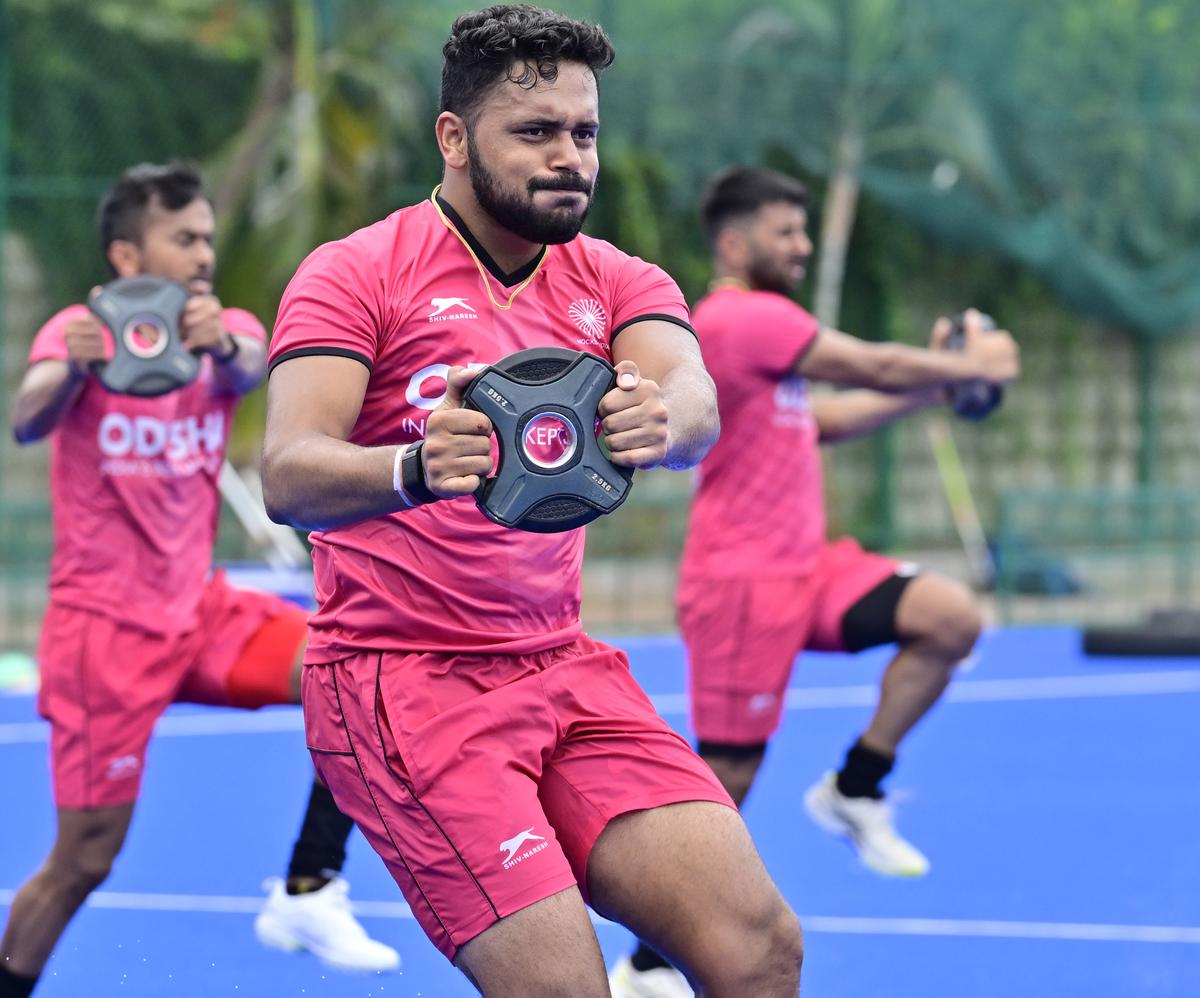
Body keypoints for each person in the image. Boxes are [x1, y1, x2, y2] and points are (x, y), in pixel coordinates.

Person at [261, 7, 804, 997]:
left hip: (561, 668)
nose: (571, 158)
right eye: (537, 132)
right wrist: (410, 467)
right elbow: (290, 471)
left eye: (584, 132)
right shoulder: (356, 272)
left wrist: (662, 419)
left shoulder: (617, 277)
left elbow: (694, 396)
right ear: (455, 139)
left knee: (759, 947)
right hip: (402, 683)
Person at [609, 165, 1020, 997]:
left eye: (803, 230)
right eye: (784, 231)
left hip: (811, 567)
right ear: (733, 241)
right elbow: (865, 364)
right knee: (725, 781)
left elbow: (820, 417)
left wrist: (934, 390)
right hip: (740, 587)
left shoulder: (765, 339)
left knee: (949, 619)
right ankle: (648, 967)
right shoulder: (737, 316)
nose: (799, 246)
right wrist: (964, 366)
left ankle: (854, 788)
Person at [0, 162, 398, 998]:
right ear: (124, 255)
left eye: (208, 237)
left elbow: (251, 366)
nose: (203, 253)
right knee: (82, 860)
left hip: (203, 611)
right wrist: (68, 369)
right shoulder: (78, 331)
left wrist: (230, 344)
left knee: (359, 673)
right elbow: (28, 417)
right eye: (184, 239)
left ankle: (308, 887)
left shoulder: (223, 331)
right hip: (103, 635)